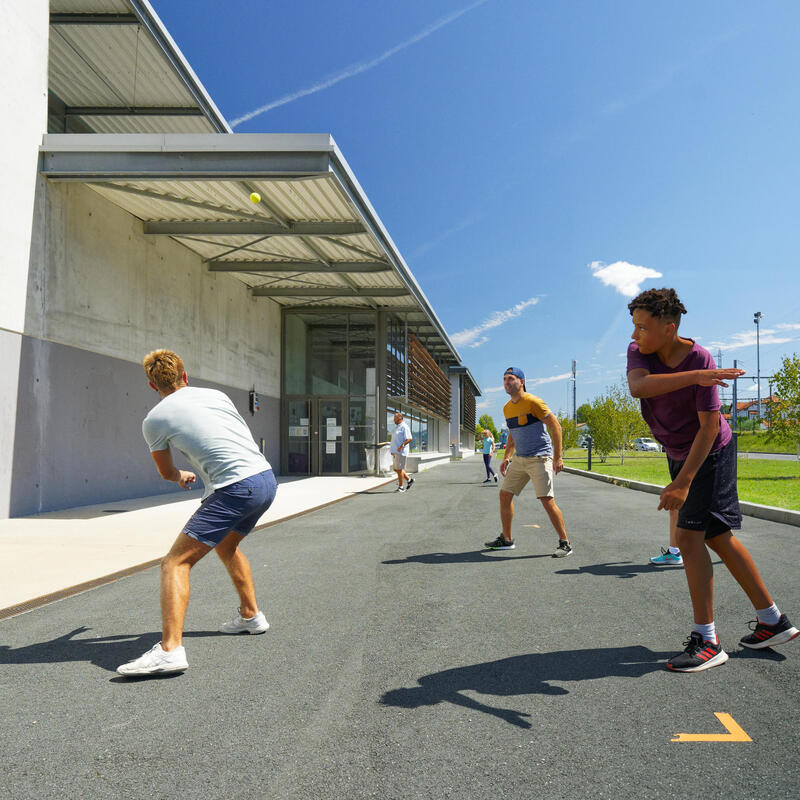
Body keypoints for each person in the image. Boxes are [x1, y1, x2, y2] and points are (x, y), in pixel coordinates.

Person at [627, 288, 798, 672]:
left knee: (688, 538)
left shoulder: (700, 357)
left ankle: (707, 640)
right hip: (677, 451)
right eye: (634, 325)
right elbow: (639, 387)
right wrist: (700, 377)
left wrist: (684, 481)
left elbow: (708, 429)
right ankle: (772, 621)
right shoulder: (642, 352)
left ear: (669, 329)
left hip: (710, 451)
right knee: (717, 536)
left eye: (643, 326)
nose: (635, 334)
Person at [117, 350, 277, 677]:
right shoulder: (215, 395)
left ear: (151, 385)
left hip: (235, 488)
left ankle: (170, 650)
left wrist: (180, 476)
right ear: (185, 376)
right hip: (264, 479)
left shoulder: (155, 420)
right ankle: (251, 616)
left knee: (175, 562)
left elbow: (166, 472)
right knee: (227, 546)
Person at [484, 367, 573, 557]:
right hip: (520, 459)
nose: (507, 382)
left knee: (546, 500)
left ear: (521, 382)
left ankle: (565, 543)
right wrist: (507, 457)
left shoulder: (533, 402)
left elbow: (556, 426)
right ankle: (507, 540)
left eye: (511, 379)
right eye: (505, 379)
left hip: (540, 457)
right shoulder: (507, 408)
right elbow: (512, 435)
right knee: (504, 495)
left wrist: (558, 457)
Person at [390, 412, 414, 492]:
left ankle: (401, 487)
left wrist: (401, 446)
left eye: (395, 418)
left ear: (399, 418)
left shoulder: (404, 427)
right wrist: (392, 450)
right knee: (395, 469)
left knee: (399, 469)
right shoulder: (397, 427)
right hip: (395, 452)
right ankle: (409, 479)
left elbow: (409, 438)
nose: (393, 420)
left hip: (401, 452)